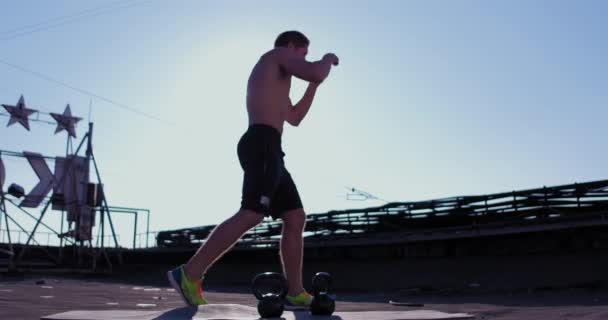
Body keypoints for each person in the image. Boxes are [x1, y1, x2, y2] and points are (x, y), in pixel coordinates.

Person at [167, 31, 339, 307]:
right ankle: (189, 273)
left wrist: (313, 86)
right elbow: (316, 72)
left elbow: (294, 118)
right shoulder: (277, 55)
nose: (303, 61)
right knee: (252, 213)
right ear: (292, 46)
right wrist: (327, 60)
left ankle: (295, 291)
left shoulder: (280, 81)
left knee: (295, 216)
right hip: (261, 143)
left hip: (272, 149)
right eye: (303, 54)